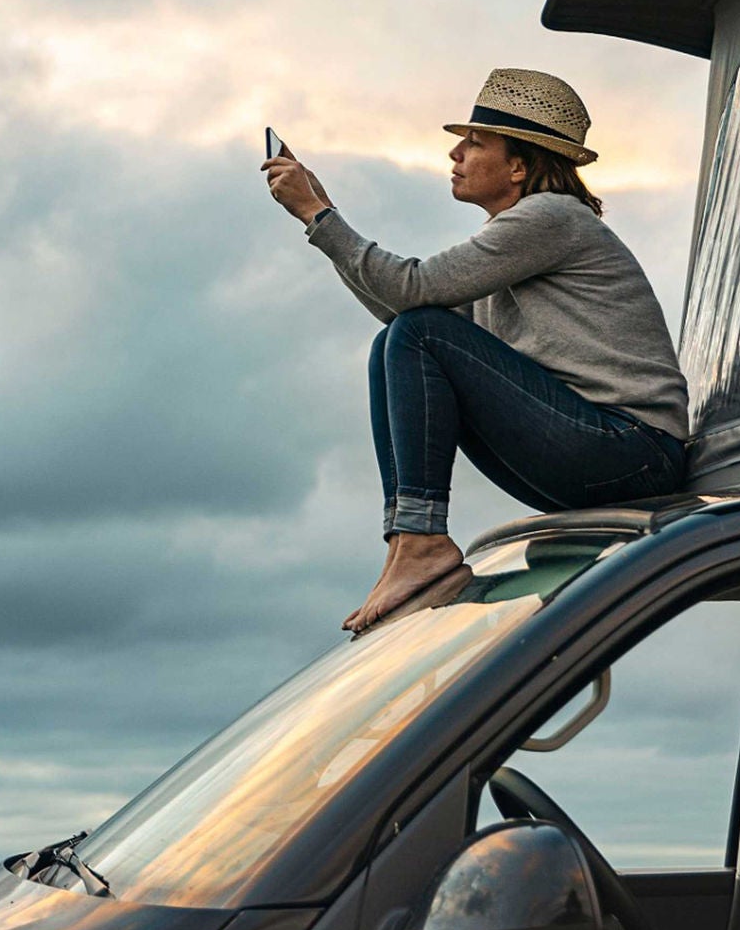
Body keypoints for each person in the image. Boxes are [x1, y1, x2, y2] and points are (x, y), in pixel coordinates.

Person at [263, 68, 689, 634]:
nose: (455, 152)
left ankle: (421, 541)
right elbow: (401, 314)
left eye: (475, 142)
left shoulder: (550, 216)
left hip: (631, 450)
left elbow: (412, 299)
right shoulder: (516, 241)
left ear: (520, 165)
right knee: (398, 338)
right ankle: (407, 544)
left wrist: (318, 217)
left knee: (417, 332)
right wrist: (324, 212)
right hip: (599, 452)